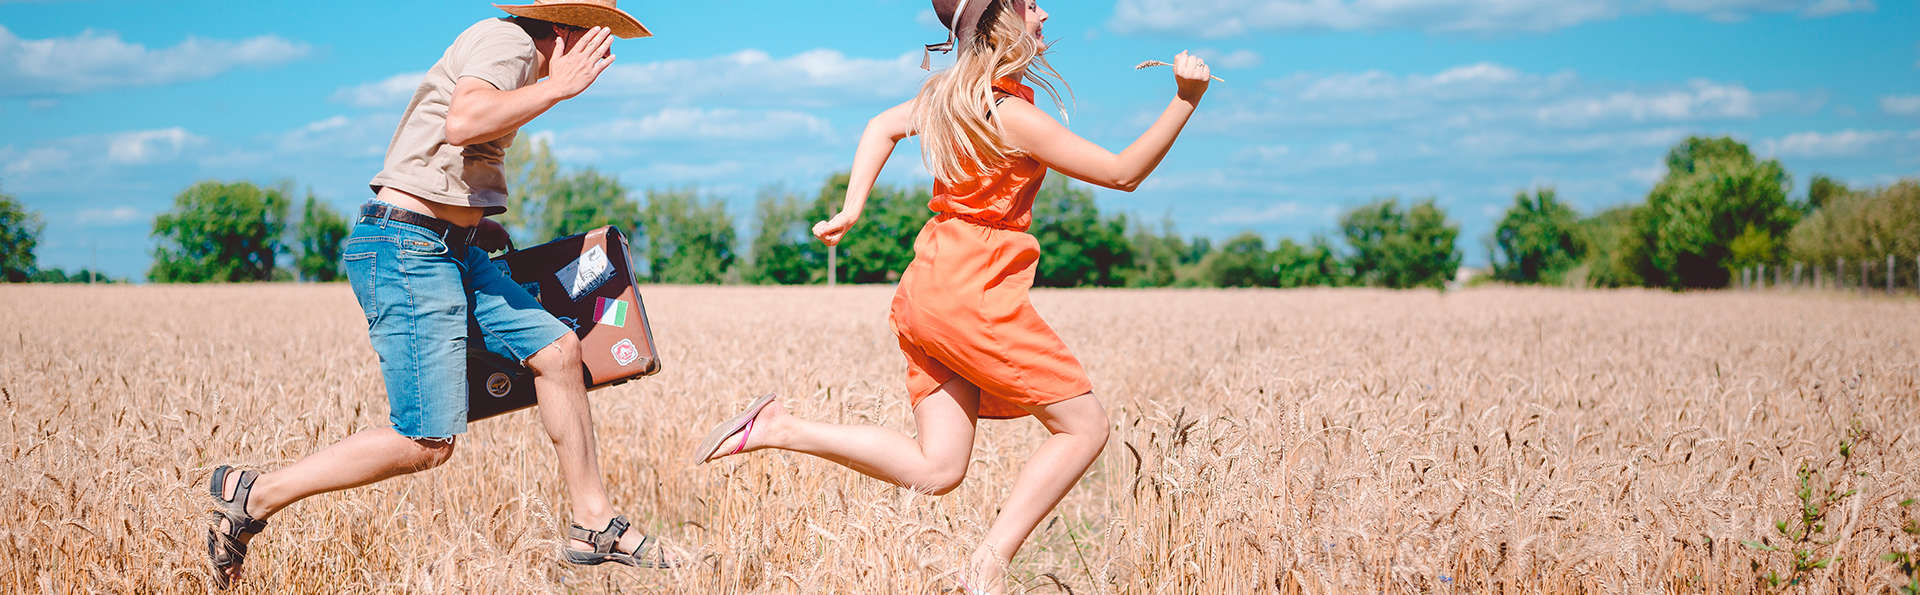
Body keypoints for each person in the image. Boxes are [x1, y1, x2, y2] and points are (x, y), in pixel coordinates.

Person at [690, 0, 1212, 592]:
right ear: (1001, 23)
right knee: (1085, 427)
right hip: (974, 292)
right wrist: (1185, 99)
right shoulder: (1009, 113)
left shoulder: (950, 98)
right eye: (1031, 4)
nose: (1044, 13)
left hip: (929, 285)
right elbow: (1121, 173)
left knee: (938, 468)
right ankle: (987, 567)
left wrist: (852, 208)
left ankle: (780, 428)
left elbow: (880, 125)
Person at [204, 1, 676, 588]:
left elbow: (452, 149)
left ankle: (594, 524)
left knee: (559, 353)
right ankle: (253, 495)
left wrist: (473, 218)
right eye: (595, 39)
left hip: (451, 245)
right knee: (425, 441)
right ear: (563, 28)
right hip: (408, 247)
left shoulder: (519, 58)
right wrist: (559, 87)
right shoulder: (510, 45)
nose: (599, 55)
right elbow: (464, 121)